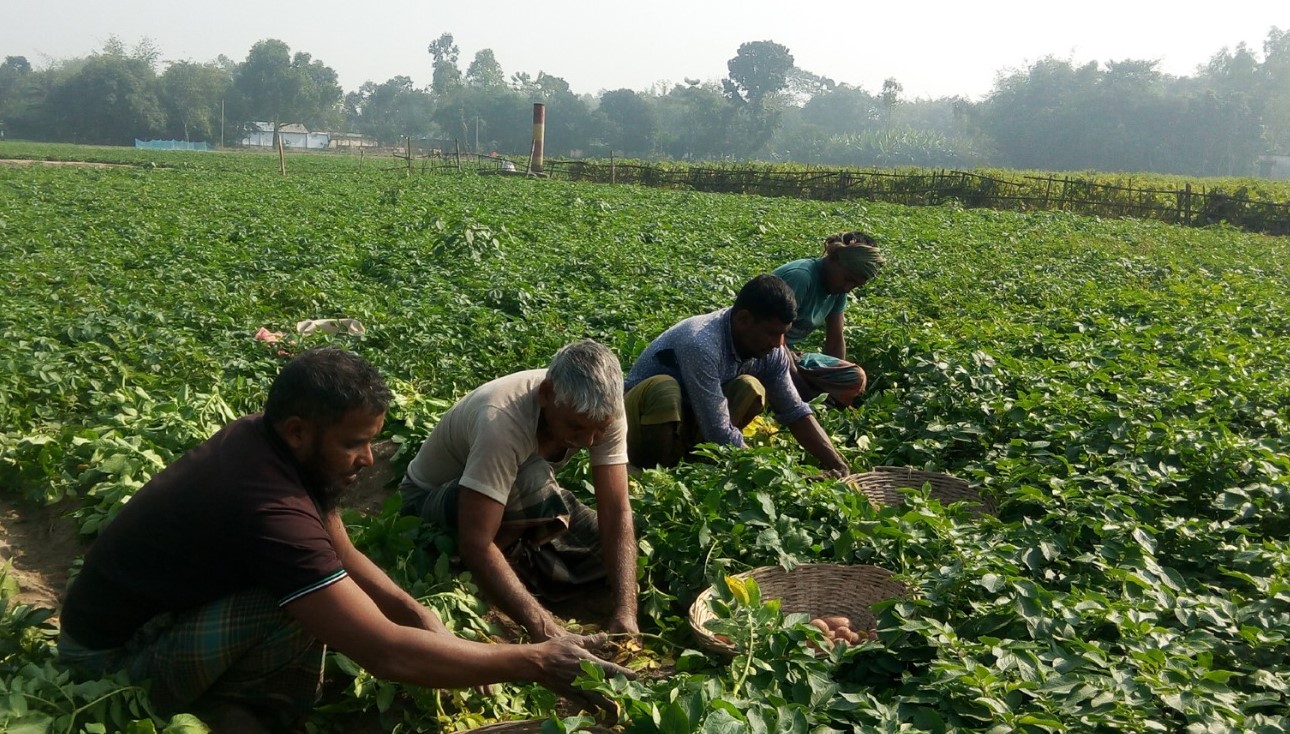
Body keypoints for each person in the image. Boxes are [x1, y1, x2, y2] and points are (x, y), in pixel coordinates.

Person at [57, 347, 630, 732]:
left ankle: (228, 696)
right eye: (355, 444)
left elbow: (344, 549)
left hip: (162, 618)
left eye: (372, 442)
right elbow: (383, 651)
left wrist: (421, 616)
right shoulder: (269, 507)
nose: (367, 460)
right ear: (300, 431)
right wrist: (533, 661)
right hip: (107, 662)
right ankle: (205, 703)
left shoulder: (273, 446)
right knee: (304, 605)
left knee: (317, 590)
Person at [400, 339, 638, 642]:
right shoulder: (501, 420)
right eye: (577, 428)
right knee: (534, 479)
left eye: (599, 430)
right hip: (430, 501)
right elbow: (477, 541)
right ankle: (476, 575)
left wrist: (625, 610)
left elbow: (615, 510)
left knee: (607, 552)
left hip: (508, 493)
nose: (590, 441)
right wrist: (544, 628)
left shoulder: (602, 411)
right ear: (546, 395)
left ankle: (519, 562)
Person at [623, 274, 850, 473]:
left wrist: (837, 464)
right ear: (743, 319)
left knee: (749, 387)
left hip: (692, 419)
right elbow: (718, 431)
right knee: (665, 390)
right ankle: (657, 475)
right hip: (636, 423)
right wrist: (772, 474)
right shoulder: (701, 344)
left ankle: (696, 467)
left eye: (784, 334)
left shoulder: (773, 350)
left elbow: (794, 411)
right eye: (771, 333)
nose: (778, 343)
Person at [772, 231, 885, 408]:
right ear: (833, 259)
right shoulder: (801, 277)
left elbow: (835, 339)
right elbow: (771, 338)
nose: (848, 288)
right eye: (848, 279)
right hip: (761, 352)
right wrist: (803, 390)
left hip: (788, 355)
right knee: (803, 393)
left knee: (854, 377)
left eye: (855, 285)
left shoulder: (837, 289)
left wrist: (835, 378)